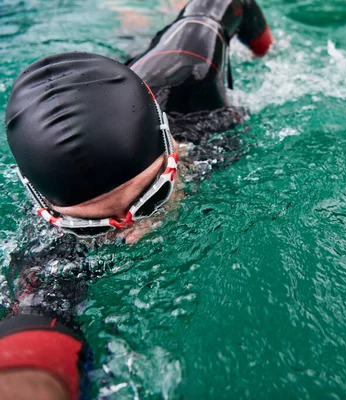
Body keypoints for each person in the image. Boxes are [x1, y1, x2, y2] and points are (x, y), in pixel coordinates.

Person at [0, 0, 272, 398]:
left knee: (142, 33)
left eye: (151, 199)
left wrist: (269, 52)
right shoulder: (49, 237)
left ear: (171, 151)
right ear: (48, 210)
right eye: (88, 226)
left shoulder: (193, 72)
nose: (134, 236)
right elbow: (33, 326)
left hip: (154, 76)